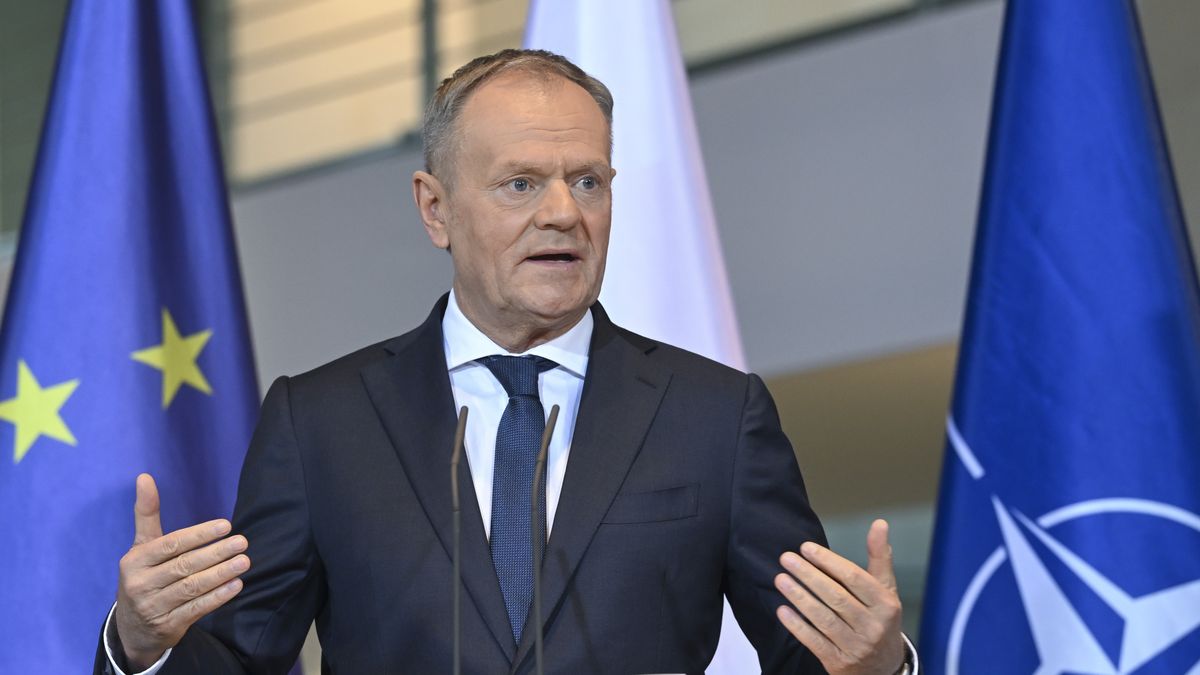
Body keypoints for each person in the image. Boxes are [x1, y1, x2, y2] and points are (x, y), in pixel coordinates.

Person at [96, 49, 916, 674]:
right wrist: (140, 643)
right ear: (435, 208)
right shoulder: (322, 423)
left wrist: (881, 662)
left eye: (587, 180)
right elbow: (240, 661)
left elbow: (816, 652)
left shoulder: (716, 416)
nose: (564, 212)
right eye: (521, 184)